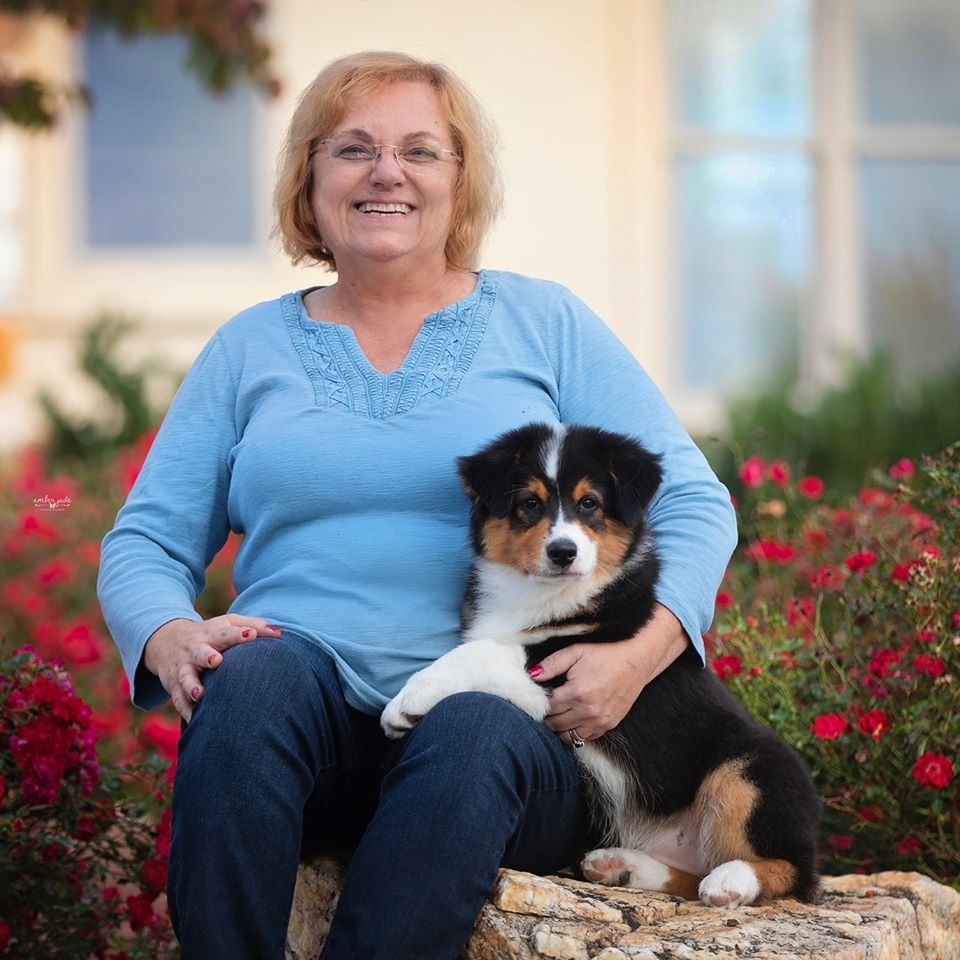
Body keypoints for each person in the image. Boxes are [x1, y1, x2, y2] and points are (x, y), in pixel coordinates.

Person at [97, 50, 737, 960]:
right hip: (297, 729)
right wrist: (167, 632)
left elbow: (698, 504)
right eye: (353, 148)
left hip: (504, 744)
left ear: (460, 179)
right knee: (251, 684)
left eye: (420, 151)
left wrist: (638, 655)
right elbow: (145, 541)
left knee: (474, 724)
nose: (386, 173)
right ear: (310, 178)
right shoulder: (248, 349)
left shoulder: (544, 323)